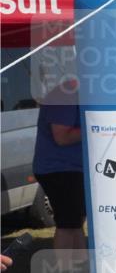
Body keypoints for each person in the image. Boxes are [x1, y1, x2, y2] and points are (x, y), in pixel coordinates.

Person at [33, 81, 87, 253]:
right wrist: (96, 127)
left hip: (71, 168)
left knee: (75, 222)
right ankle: (65, 269)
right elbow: (62, 137)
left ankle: (79, 267)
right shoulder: (65, 94)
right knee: (67, 224)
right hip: (60, 169)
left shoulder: (76, 93)